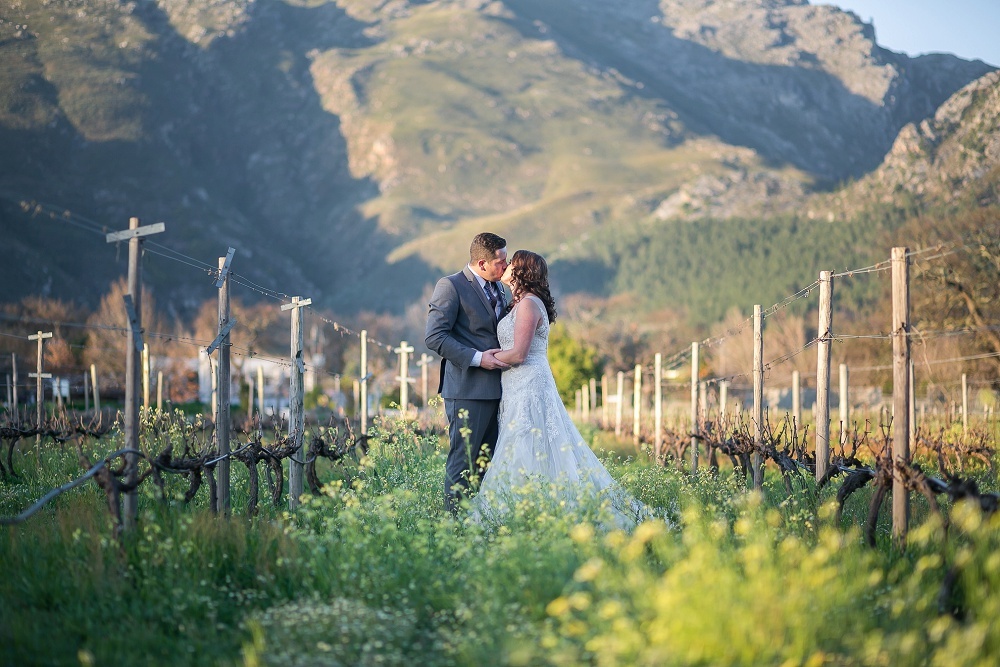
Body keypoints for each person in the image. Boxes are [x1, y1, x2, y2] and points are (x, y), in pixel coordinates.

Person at [472, 250, 648, 529]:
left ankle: (531, 511)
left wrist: (485, 357)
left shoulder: (529, 304)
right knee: (523, 442)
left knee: (529, 441)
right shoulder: (518, 304)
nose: (505, 266)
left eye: (511, 262)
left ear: (522, 271)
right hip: (515, 384)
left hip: (529, 382)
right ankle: (526, 507)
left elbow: (518, 354)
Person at [425, 232, 512, 514]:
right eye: (501, 262)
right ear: (482, 262)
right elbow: (435, 337)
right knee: (463, 461)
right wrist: (477, 359)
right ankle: (454, 527)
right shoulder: (450, 286)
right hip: (467, 390)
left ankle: (476, 521)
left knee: (486, 463)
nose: (506, 266)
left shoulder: (499, 288)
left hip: (500, 390)